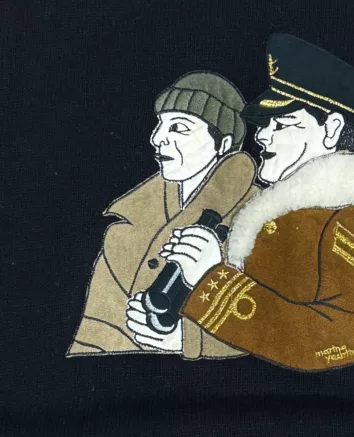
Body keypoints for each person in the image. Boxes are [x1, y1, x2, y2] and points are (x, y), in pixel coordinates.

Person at [146, 34, 354, 371]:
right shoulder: (267, 208)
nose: (262, 136)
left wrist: (212, 276)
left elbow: (347, 338)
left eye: (281, 124)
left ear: (332, 129)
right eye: (265, 124)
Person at [67, 71, 257, 360]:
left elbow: (284, 328)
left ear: (223, 144)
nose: (157, 139)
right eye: (160, 125)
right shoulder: (125, 228)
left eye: (179, 128)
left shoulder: (265, 217)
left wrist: (187, 340)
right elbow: (92, 337)